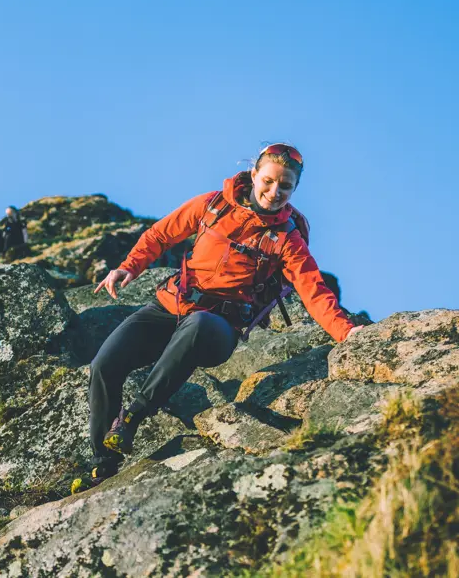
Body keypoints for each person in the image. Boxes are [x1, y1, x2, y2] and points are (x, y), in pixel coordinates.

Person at [71, 144, 363, 495]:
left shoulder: (288, 239)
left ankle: (133, 416)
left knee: (199, 325)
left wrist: (348, 333)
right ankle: (103, 463)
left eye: (284, 187)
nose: (274, 192)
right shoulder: (213, 204)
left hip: (216, 329)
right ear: (253, 175)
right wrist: (128, 267)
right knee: (104, 365)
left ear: (294, 189)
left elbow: (314, 292)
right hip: (170, 308)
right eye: (268, 181)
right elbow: (162, 234)